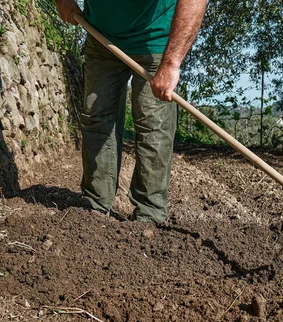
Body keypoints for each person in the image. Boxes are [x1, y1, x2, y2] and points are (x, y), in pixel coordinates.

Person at [54, 0, 207, 224]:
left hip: (154, 41)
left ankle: (150, 214)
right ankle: (95, 206)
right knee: (97, 118)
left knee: (154, 126)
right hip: (100, 35)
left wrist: (171, 63)